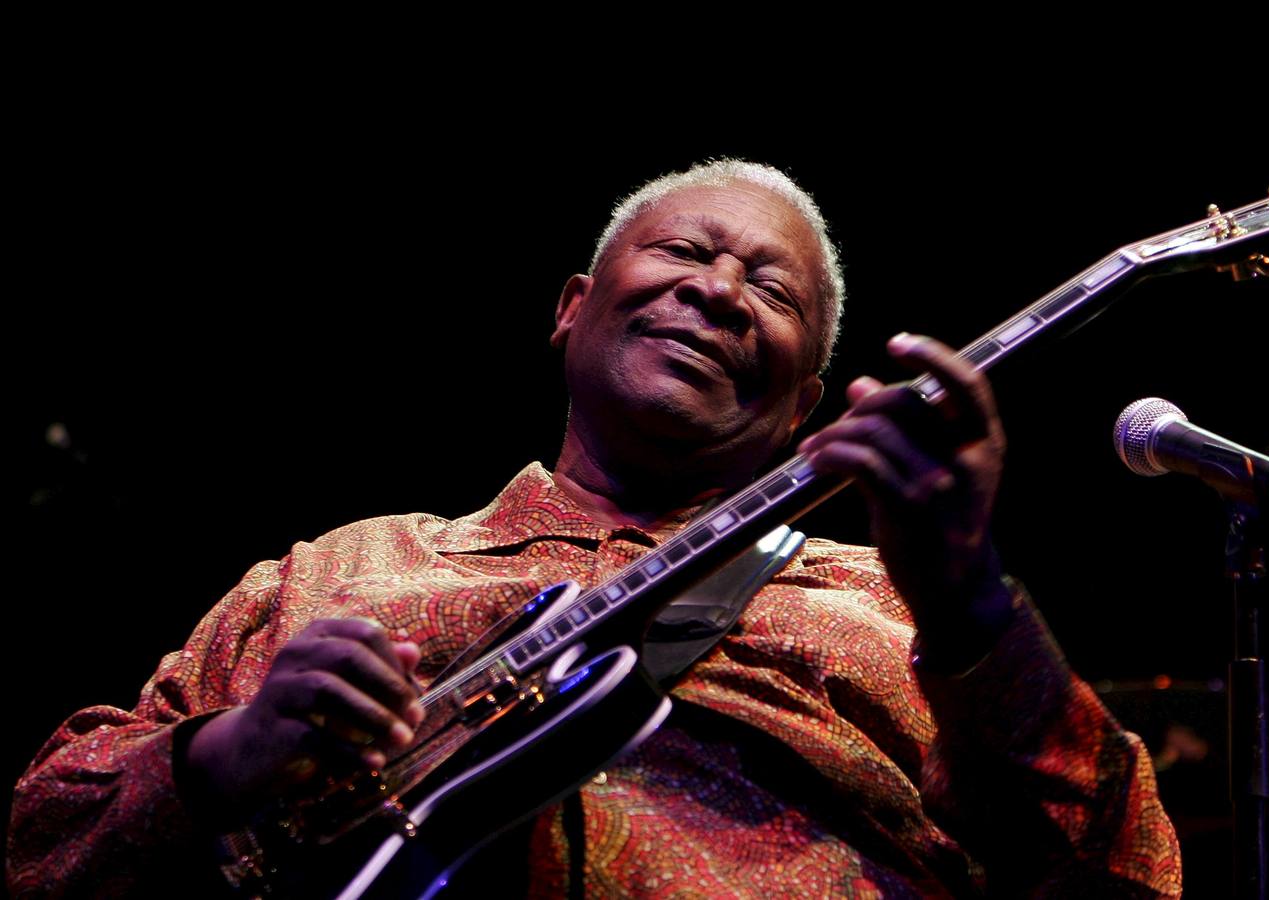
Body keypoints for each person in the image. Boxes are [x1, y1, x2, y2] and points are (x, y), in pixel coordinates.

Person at [9, 161, 1183, 897]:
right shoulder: (342, 571)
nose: (719, 291)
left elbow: (1121, 875)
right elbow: (44, 841)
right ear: (573, 312)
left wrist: (970, 596)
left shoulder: (890, 603)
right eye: (682, 252)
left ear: (806, 409)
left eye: (770, 292)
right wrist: (228, 753)